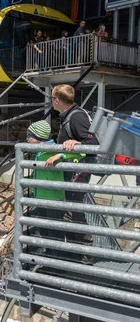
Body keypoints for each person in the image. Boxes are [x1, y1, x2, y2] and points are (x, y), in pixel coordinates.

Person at [51, 84, 99, 249]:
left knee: (74, 212)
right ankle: (75, 253)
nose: (51, 101)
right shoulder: (69, 115)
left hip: (78, 172)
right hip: (73, 172)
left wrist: (77, 142)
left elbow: (93, 141)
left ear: (57, 100)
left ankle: (84, 256)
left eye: (52, 98)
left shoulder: (76, 117)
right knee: (70, 212)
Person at [26, 120, 85, 253]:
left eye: (29, 135)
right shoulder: (39, 151)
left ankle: (58, 265)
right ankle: (50, 260)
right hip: (40, 198)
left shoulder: (54, 149)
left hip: (53, 200)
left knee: (55, 234)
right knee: (45, 232)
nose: (27, 139)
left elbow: (81, 153)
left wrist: (61, 155)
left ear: (37, 136)